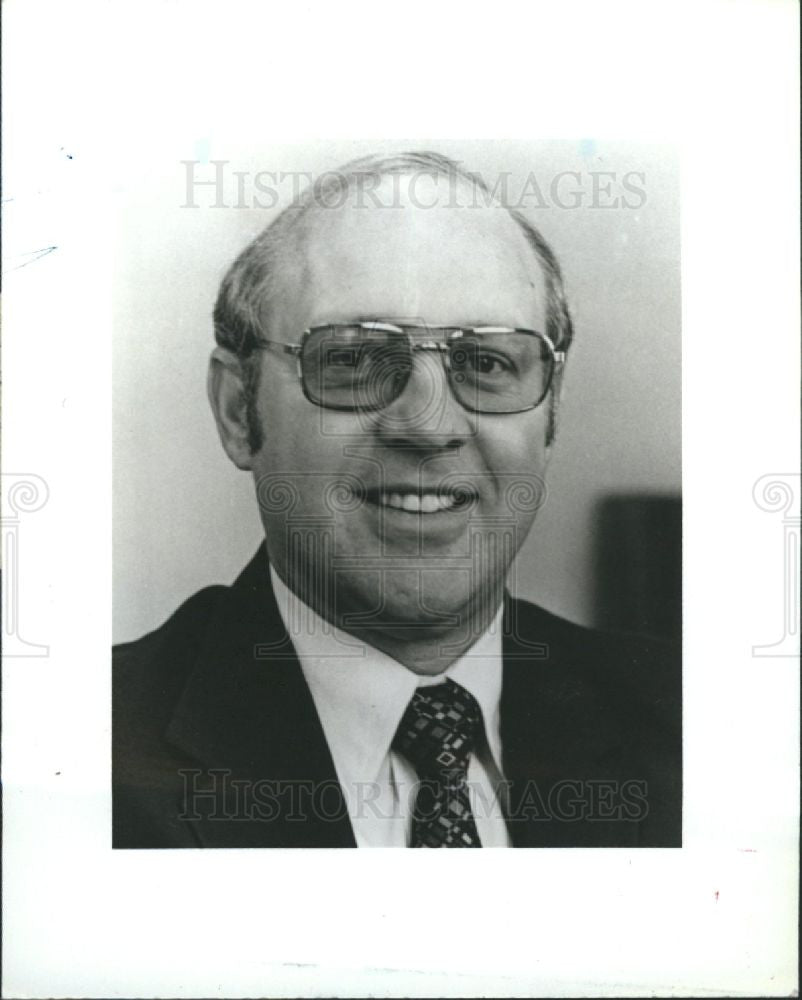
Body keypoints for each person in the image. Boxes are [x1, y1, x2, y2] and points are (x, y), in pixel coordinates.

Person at [113, 151, 681, 849]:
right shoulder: (78, 751)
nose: (430, 424)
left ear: (551, 413)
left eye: (486, 362)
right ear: (238, 410)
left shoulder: (700, 729)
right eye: (353, 360)